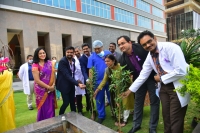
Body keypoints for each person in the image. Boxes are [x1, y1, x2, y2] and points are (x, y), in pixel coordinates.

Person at [123, 30, 190, 133]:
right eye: (144, 45)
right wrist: (130, 90)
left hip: (177, 86)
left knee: (175, 119)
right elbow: (143, 74)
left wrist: (161, 78)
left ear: (155, 38)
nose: (148, 45)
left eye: (149, 41)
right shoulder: (150, 56)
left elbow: (181, 71)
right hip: (164, 88)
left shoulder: (171, 48)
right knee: (166, 117)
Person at [117, 35, 160, 133]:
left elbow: (154, 57)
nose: (121, 46)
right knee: (138, 103)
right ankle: (136, 125)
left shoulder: (141, 48)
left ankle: (152, 127)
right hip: (138, 80)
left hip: (152, 77)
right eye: (119, 45)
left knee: (154, 102)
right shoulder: (122, 59)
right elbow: (125, 75)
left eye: (123, 43)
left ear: (130, 42)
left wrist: (158, 74)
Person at [93, 54, 134, 127]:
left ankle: (125, 120)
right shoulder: (107, 70)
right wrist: (97, 90)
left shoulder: (121, 67)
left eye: (108, 61)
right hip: (116, 90)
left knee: (125, 104)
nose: (106, 63)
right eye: (105, 61)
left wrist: (128, 88)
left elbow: (128, 78)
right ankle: (119, 118)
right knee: (118, 104)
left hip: (125, 88)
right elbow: (104, 81)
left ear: (113, 61)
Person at [56, 46, 86, 115]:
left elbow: (72, 73)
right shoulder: (62, 62)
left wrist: (77, 80)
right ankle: (60, 115)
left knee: (72, 101)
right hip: (63, 85)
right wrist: (78, 84)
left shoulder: (73, 60)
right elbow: (67, 75)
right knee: (66, 102)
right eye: (68, 52)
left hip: (71, 84)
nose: (69, 54)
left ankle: (74, 115)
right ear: (65, 52)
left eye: (71, 52)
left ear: (74, 53)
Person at [87, 40, 111, 124]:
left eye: (98, 48)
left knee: (111, 97)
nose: (97, 50)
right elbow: (90, 70)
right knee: (99, 99)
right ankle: (101, 115)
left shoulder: (108, 53)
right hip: (98, 82)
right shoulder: (91, 57)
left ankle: (115, 113)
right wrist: (90, 81)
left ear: (102, 47)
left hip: (109, 80)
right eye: (95, 49)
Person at [32, 48, 57, 121]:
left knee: (50, 107)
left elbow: (53, 75)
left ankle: (51, 123)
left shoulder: (50, 63)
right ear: (37, 55)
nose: (43, 54)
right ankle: (42, 125)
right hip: (41, 91)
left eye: (44, 53)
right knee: (43, 107)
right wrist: (48, 87)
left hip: (51, 89)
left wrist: (53, 85)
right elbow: (37, 80)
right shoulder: (35, 65)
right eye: (40, 53)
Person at [0, 57, 16, 132]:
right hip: (2, 93)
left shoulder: (5, 65)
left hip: (8, 94)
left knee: (7, 110)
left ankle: (8, 127)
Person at [79, 43, 92, 112]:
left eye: (86, 49)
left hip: (96, 77)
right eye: (84, 49)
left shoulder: (94, 55)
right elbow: (83, 70)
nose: (85, 50)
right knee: (88, 95)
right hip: (87, 78)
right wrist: (87, 79)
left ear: (89, 48)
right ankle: (89, 107)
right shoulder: (81, 59)